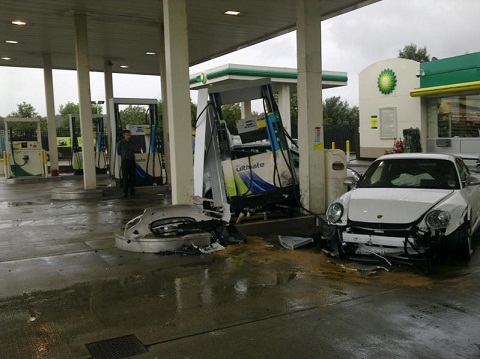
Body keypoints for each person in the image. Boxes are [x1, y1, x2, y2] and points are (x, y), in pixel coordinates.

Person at [116, 129, 136, 197]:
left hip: (132, 161)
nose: (129, 136)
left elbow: (135, 150)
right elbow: (118, 152)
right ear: (124, 135)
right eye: (127, 135)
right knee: (125, 177)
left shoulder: (132, 142)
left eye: (129, 135)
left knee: (132, 177)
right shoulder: (121, 143)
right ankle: (125, 192)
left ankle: (132, 191)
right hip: (125, 161)